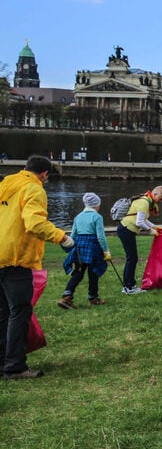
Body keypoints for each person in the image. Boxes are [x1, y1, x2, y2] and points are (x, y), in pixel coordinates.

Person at [0, 155, 74, 379]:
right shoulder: (34, 189)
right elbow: (34, 223)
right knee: (19, 311)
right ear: (44, 174)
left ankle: (3, 360)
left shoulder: (6, 184)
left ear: (25, 168)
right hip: (15, 257)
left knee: (2, 312)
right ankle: (15, 366)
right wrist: (62, 238)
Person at [59, 192, 110, 309]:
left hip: (79, 248)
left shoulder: (78, 217)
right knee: (94, 273)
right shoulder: (97, 217)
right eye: (99, 204)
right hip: (93, 249)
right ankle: (93, 298)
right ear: (96, 205)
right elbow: (100, 237)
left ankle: (66, 296)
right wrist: (106, 251)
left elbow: (73, 234)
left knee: (78, 273)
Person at [116, 185, 162, 294]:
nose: (161, 201)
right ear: (155, 194)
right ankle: (129, 287)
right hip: (126, 230)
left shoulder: (146, 200)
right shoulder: (144, 203)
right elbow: (139, 222)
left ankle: (128, 285)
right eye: (161, 198)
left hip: (126, 229)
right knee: (132, 259)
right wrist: (151, 231)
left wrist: (154, 227)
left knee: (131, 258)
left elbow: (143, 219)